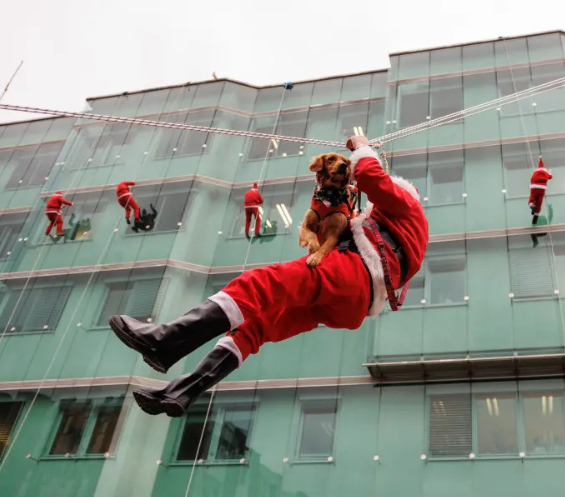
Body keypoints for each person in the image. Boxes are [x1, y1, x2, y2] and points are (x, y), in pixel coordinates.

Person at [109, 135, 428, 418]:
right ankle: (182, 391)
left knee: (261, 284)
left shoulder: (407, 204)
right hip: (352, 304)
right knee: (257, 326)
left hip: (352, 274)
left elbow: (372, 178)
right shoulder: (398, 232)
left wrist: (363, 148)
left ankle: (166, 340)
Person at [529, 157, 552, 225]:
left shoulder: (535, 172)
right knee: (539, 200)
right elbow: (550, 177)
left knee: (532, 197)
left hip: (534, 186)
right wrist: (550, 172)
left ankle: (532, 204)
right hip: (542, 188)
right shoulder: (545, 173)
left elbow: (531, 179)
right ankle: (535, 216)